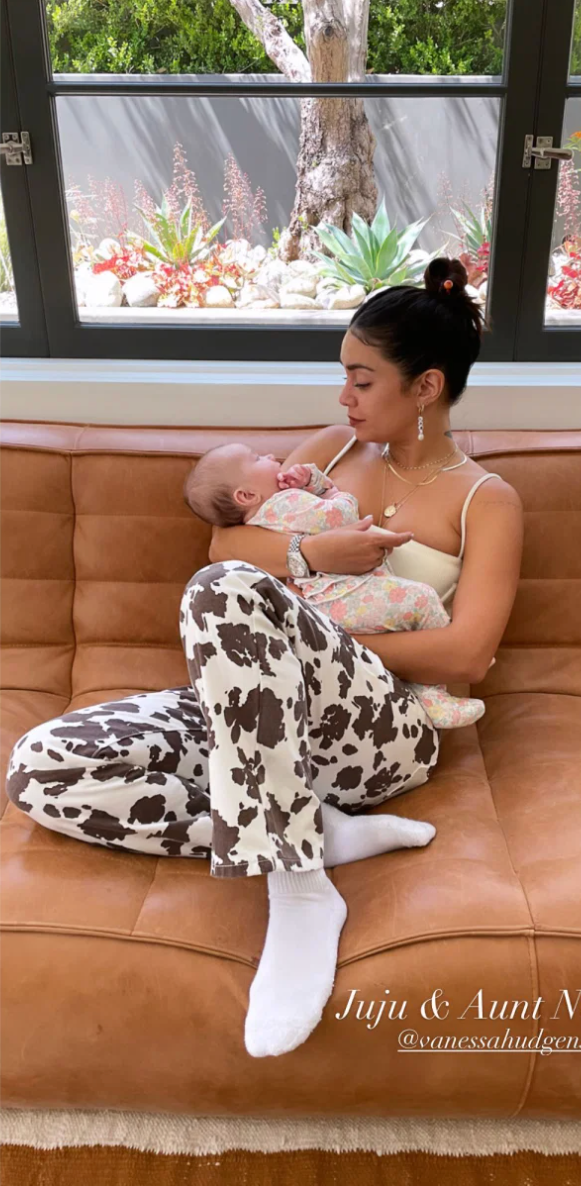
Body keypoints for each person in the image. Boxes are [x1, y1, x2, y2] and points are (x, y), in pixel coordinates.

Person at [5, 255, 524, 1062]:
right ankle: (308, 828)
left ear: (425, 388)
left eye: (361, 381)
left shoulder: (485, 500)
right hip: (260, 709)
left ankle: (300, 889)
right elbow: (226, 539)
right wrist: (318, 553)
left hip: (383, 726)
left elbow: (469, 651)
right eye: (342, 379)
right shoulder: (332, 449)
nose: (342, 399)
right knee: (40, 768)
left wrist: (313, 640)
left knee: (230, 591)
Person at [180, 442, 488, 729]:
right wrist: (327, 492)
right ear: (246, 496)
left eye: (362, 383)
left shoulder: (268, 512)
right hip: (336, 598)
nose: (272, 458)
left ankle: (419, 690)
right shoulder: (284, 501)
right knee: (421, 599)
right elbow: (339, 516)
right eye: (257, 459)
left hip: (324, 611)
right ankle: (431, 694)